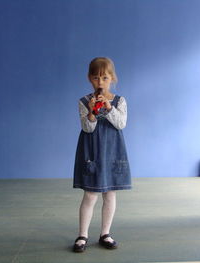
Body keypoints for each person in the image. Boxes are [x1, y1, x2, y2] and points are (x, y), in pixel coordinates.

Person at [72, 57, 132, 252]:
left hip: (113, 151)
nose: (100, 83)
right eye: (96, 78)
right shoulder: (83, 102)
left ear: (112, 78)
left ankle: (105, 233)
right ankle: (83, 235)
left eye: (105, 78)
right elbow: (88, 128)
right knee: (90, 195)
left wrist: (108, 108)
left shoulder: (119, 101)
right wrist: (91, 112)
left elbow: (121, 124)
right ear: (90, 79)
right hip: (93, 152)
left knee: (110, 193)